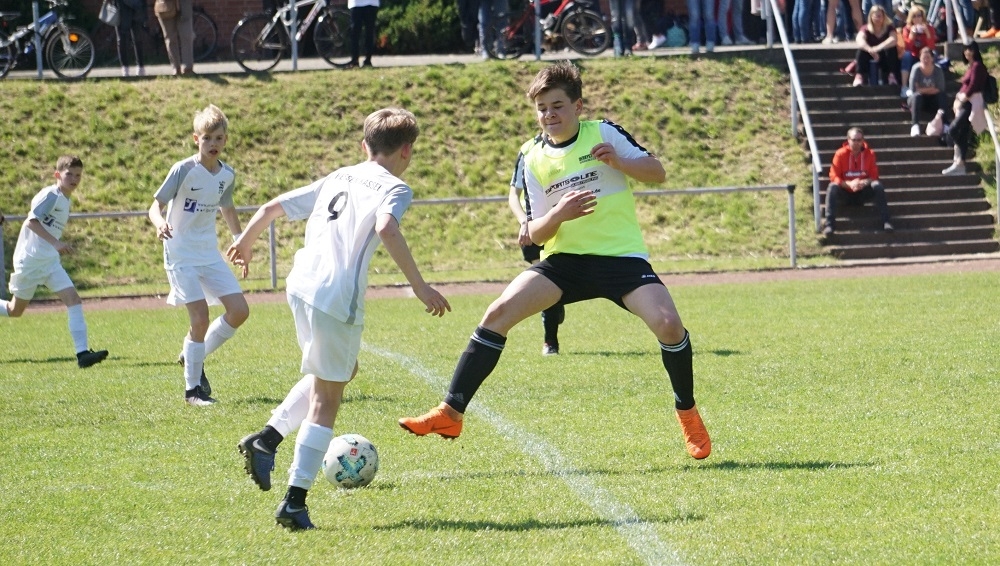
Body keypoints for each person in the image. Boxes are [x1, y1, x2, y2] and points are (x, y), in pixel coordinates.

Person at [398, 61, 712, 462]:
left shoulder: (603, 132)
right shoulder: (532, 155)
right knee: (497, 313)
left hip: (620, 258)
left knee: (668, 325)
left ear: (577, 106)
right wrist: (560, 215)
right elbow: (535, 233)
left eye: (557, 106)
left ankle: (687, 413)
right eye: (542, 108)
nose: (549, 114)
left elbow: (658, 172)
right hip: (564, 262)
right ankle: (450, 413)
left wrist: (620, 162)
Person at [229, 107, 450, 531]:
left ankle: (266, 440)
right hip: (335, 297)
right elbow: (387, 228)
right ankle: (294, 502)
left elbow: (273, 207)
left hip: (301, 286)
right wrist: (420, 286)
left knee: (341, 371)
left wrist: (245, 241)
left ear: (364, 146)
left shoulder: (339, 176)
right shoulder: (396, 187)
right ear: (407, 150)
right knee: (326, 398)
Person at [148, 104, 248, 406]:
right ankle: (192, 392)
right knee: (200, 318)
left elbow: (227, 207)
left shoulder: (227, 174)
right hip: (180, 253)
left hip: (208, 253)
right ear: (196, 139)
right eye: (207, 138)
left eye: (219, 138)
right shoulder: (183, 169)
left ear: (226, 140)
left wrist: (240, 243)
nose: (213, 144)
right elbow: (155, 205)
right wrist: (160, 223)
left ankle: (192, 354)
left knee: (239, 311)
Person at [0, 156, 109, 369]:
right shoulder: (51, 195)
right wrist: (56, 243)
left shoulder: (65, 199)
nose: (74, 179)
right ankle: (82, 353)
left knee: (74, 300)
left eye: (78, 175)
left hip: (49, 261)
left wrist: (54, 247)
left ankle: (82, 354)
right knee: (15, 311)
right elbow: (31, 222)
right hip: (30, 261)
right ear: (57, 174)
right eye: (69, 174)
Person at [508, 180, 565, 355]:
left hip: (561, 226)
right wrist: (524, 221)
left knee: (556, 286)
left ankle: (558, 302)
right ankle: (550, 342)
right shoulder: (524, 161)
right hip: (533, 228)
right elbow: (513, 196)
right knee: (546, 284)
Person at [823, 127, 894, 236]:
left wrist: (863, 183)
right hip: (845, 193)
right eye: (853, 140)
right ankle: (829, 225)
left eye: (859, 140)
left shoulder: (870, 154)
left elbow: (874, 176)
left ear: (863, 140)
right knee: (832, 187)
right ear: (848, 140)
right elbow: (833, 176)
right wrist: (849, 184)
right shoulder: (840, 154)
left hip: (862, 192)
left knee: (877, 186)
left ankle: (886, 221)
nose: (856, 143)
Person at [943, 41, 989, 175]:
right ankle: (960, 163)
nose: (967, 52)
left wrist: (962, 98)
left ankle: (961, 158)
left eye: (970, 49)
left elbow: (973, 85)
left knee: (953, 129)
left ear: (974, 51)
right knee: (962, 133)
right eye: (965, 49)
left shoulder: (978, 66)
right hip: (965, 102)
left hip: (970, 103)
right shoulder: (971, 66)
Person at [850, 5, 899, 87]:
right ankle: (859, 76)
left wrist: (878, 48)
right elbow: (859, 39)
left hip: (884, 55)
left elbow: (893, 39)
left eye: (880, 16)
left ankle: (891, 76)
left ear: (884, 17)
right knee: (861, 51)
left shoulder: (889, 28)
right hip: (870, 55)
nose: (877, 18)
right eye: (875, 16)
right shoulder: (865, 28)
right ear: (871, 17)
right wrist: (870, 50)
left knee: (892, 50)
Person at [908, 46, 948, 137]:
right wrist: (931, 89)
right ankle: (915, 125)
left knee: (942, 96)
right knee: (916, 97)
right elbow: (913, 89)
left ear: (932, 58)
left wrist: (921, 89)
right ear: (920, 58)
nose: (926, 60)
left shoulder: (938, 70)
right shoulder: (916, 69)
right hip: (918, 100)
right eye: (923, 58)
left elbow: (940, 89)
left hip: (933, 100)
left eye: (928, 57)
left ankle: (946, 124)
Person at [899, 6, 937, 97]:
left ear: (922, 17)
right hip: (913, 54)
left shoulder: (929, 28)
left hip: (925, 55)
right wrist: (912, 35)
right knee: (906, 56)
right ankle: (904, 86)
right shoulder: (906, 29)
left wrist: (927, 33)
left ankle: (931, 85)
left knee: (933, 55)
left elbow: (932, 46)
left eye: (919, 15)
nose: (917, 18)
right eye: (914, 16)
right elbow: (907, 47)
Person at [155, 0, 193, 75]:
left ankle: (188, 68)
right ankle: (176, 68)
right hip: (165, 6)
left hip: (184, 6)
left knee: (187, 36)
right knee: (170, 38)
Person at [115, 0, 147, 77]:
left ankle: (127, 67)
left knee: (124, 38)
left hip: (124, 6)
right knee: (135, 37)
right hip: (135, 5)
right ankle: (139, 67)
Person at [347, 0, 379, 68]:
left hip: (370, 3)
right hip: (356, 4)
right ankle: (355, 60)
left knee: (368, 32)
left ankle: (367, 60)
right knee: (355, 33)